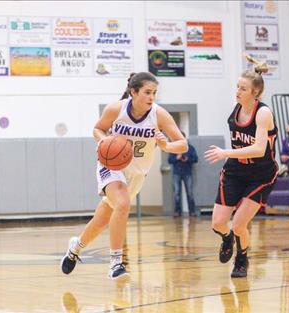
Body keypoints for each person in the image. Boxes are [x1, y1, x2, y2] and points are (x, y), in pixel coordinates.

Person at [60, 72, 187, 280]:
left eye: (154, 93)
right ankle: (116, 262)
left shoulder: (159, 114)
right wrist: (104, 141)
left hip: (137, 173)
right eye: (147, 92)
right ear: (133, 92)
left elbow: (182, 144)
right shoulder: (116, 109)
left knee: (102, 220)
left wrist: (166, 145)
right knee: (123, 203)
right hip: (111, 164)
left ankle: (76, 247)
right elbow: (97, 129)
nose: (151, 97)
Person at [204, 56, 277, 278]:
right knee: (218, 223)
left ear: (255, 93)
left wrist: (226, 152)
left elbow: (258, 149)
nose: (237, 91)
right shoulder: (236, 109)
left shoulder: (263, 113)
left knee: (238, 225)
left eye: (243, 88)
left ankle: (242, 258)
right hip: (236, 171)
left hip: (260, 173)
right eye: (237, 86)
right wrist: (230, 157)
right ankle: (227, 239)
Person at [168, 131, 198, 217]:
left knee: (190, 193)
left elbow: (195, 159)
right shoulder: (173, 148)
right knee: (177, 193)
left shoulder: (190, 148)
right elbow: (169, 160)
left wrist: (187, 159)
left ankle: (192, 211)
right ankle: (177, 212)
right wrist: (177, 158)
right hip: (176, 173)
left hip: (187, 172)